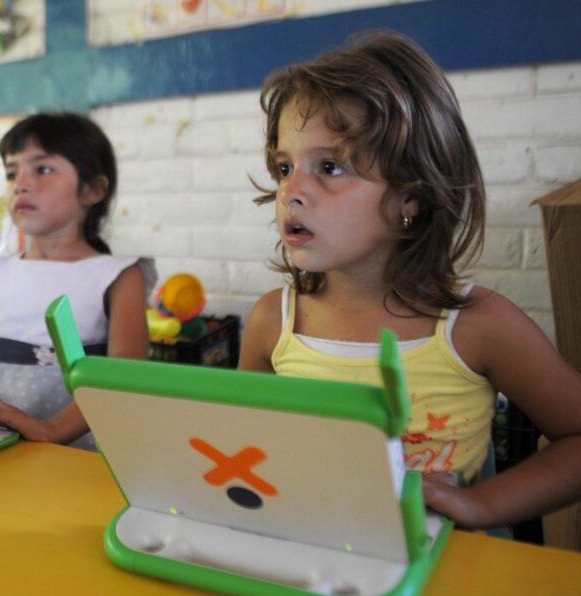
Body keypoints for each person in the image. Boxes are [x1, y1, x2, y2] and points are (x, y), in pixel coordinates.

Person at [238, 30, 581, 530]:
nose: (291, 191)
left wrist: (482, 504)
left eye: (329, 167)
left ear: (411, 196)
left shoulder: (479, 326)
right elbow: (248, 441)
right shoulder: (272, 321)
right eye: (285, 167)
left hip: (449, 563)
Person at [0, 112, 155, 449]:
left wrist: (50, 429)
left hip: (69, 450)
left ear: (92, 189)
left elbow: (124, 375)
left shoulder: (119, 275)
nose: (20, 183)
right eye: (11, 172)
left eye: (42, 169)